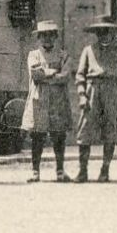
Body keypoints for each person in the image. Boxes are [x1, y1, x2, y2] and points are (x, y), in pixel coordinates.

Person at [75, 16, 117, 183]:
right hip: (92, 89)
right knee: (85, 129)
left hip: (112, 91)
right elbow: (80, 75)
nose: (103, 35)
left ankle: (105, 170)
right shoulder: (88, 50)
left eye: (106, 32)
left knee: (110, 129)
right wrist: (82, 95)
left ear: (112, 33)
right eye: (100, 32)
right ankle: (83, 171)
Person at [22, 20, 72, 182]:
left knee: (59, 135)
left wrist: (46, 75)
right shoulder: (33, 55)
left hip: (58, 100)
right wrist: (53, 73)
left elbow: (65, 77)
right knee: (37, 136)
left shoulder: (63, 55)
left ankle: (60, 171)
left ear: (56, 36)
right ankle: (35, 171)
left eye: (51, 35)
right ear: (38, 38)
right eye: (43, 35)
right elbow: (36, 75)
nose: (47, 39)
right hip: (40, 100)